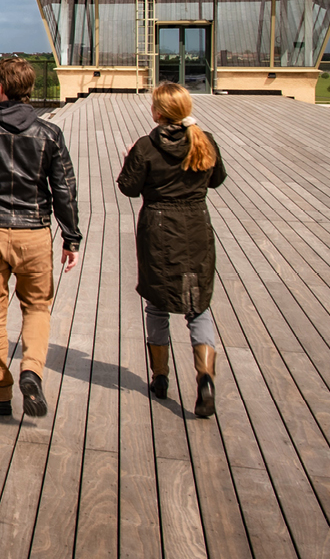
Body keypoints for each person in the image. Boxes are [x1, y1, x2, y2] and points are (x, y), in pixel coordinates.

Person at [0, 57, 81, 417]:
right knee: (37, 307)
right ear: (30, 89)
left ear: (1, 88)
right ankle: (31, 370)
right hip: (34, 232)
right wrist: (71, 238)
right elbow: (64, 189)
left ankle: (0, 393)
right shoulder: (49, 134)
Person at [117, 82, 226, 418]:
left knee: (157, 303)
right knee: (199, 306)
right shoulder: (203, 140)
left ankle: (160, 377)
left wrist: (128, 159)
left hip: (158, 230)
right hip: (195, 229)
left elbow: (128, 188)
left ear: (159, 112)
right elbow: (217, 179)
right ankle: (205, 377)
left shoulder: (146, 147)